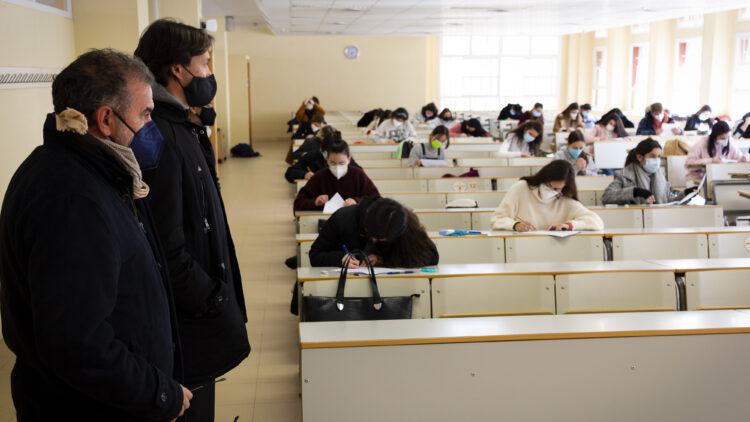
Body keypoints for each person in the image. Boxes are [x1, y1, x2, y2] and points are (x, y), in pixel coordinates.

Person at [0, 49, 191, 421]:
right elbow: (77, 341)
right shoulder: (72, 198)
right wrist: (159, 393)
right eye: (146, 114)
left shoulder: (89, 174)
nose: (152, 125)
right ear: (106, 119)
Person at [135, 19, 250, 421]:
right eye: (204, 63)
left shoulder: (181, 125)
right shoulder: (160, 135)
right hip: (188, 321)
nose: (209, 74)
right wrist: (214, 299)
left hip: (195, 313)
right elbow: (167, 243)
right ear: (179, 71)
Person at [309, 197, 439, 268]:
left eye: (382, 240)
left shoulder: (404, 220)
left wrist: (384, 260)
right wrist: (340, 259)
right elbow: (314, 255)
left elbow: (432, 257)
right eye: (373, 237)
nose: (374, 242)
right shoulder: (342, 218)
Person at [490, 160, 604, 231]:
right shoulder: (521, 188)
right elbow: (496, 220)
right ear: (543, 178)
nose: (550, 190)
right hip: (520, 247)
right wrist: (515, 225)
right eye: (548, 185)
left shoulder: (566, 200)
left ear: (564, 188)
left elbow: (597, 222)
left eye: (556, 189)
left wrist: (568, 225)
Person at [601, 138, 695, 205]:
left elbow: (666, 202)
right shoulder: (624, 176)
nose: (657, 160)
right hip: (634, 221)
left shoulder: (661, 177)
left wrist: (685, 194)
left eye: (659, 156)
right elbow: (606, 197)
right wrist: (635, 192)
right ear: (639, 157)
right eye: (652, 156)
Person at [293, 140, 380, 211]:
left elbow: (377, 200)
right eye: (333, 163)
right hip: (326, 223)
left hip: (354, 222)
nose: (337, 167)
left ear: (349, 160)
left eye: (342, 163)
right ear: (327, 160)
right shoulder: (320, 176)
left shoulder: (358, 175)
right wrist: (315, 202)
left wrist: (356, 201)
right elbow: (298, 203)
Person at [285, 129, 361, 183]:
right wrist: (304, 175)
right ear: (322, 150)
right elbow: (290, 173)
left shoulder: (343, 157)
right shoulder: (312, 156)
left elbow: (360, 173)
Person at [684, 121, 749, 182]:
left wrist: (745, 158)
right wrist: (710, 161)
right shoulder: (701, 144)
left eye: (727, 138)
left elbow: (740, 158)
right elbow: (688, 164)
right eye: (722, 138)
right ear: (714, 136)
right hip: (698, 179)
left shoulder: (729, 144)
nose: (725, 140)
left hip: (719, 179)